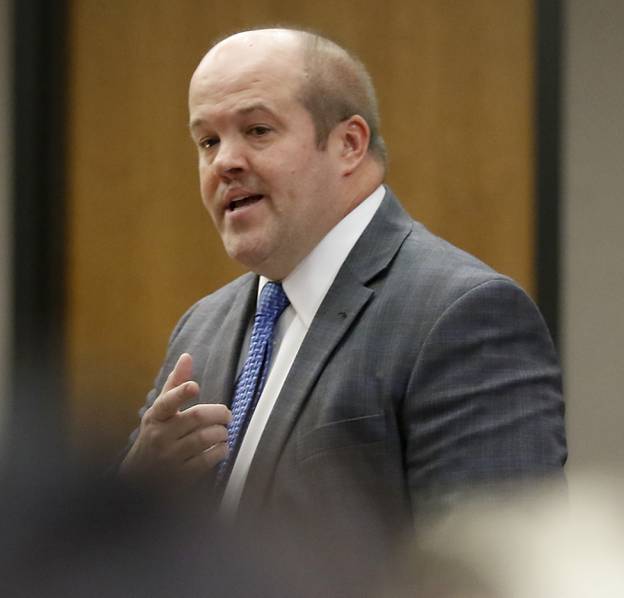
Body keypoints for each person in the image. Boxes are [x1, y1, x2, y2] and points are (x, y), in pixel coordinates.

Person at [120, 27, 566, 540]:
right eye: (208, 140)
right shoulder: (202, 328)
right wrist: (139, 477)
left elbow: (496, 571)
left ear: (348, 144)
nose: (225, 162)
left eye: (258, 130)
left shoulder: (461, 314)